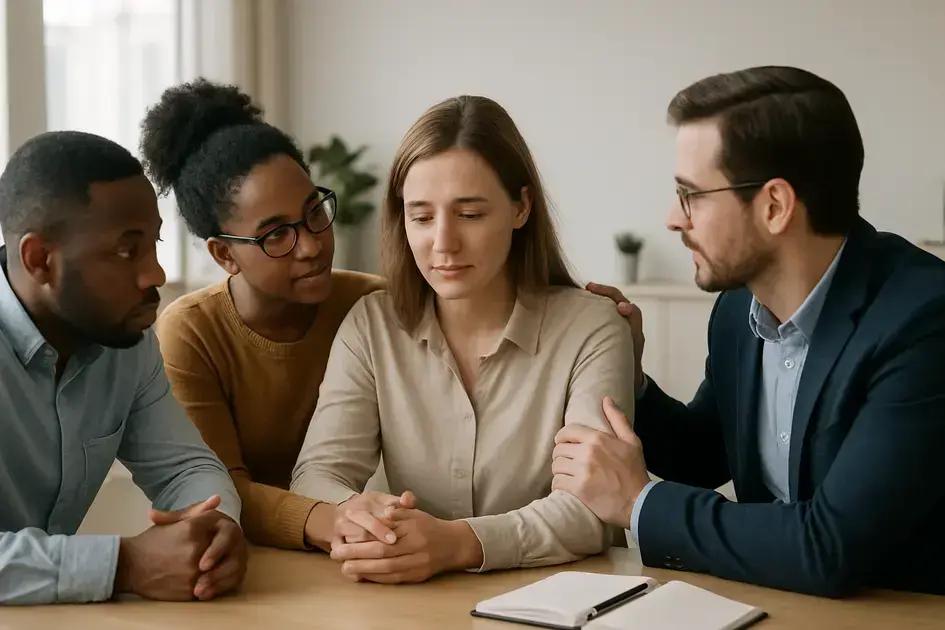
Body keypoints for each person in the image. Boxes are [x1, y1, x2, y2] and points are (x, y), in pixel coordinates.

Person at [554, 66, 945, 596]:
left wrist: (638, 501)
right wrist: (632, 373)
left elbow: (831, 546)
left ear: (775, 206)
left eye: (690, 195)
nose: (672, 218)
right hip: (776, 606)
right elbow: (704, 455)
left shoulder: (924, 320)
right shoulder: (739, 310)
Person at [290, 95, 635, 584]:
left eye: (470, 214)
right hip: (409, 604)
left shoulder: (593, 328)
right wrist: (363, 516)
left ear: (521, 207)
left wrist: (456, 543)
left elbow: (592, 509)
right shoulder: (372, 326)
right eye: (421, 217)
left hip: (560, 602)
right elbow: (317, 475)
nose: (443, 243)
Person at [0, 131, 246, 605]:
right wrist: (124, 564)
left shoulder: (124, 342)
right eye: (125, 250)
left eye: (152, 243)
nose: (154, 274)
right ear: (40, 260)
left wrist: (214, 532)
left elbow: (185, 468)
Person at [142, 79, 389, 551]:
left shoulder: (372, 303)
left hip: (361, 546)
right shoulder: (192, 331)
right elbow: (217, 491)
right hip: (242, 559)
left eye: (315, 211)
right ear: (223, 255)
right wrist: (330, 520)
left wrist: (568, 298)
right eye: (276, 235)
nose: (314, 245)